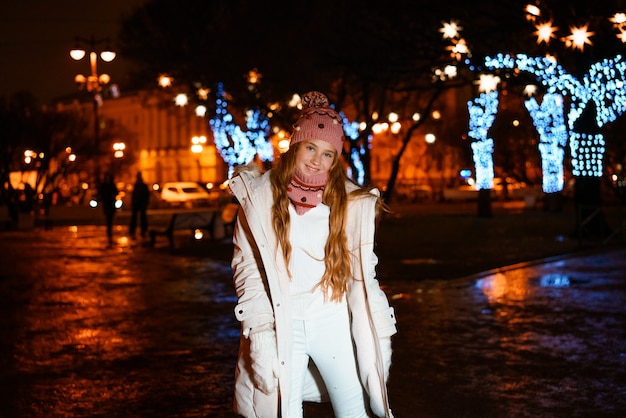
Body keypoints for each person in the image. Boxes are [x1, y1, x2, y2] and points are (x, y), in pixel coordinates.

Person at [229, 91, 397, 418]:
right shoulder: (258, 201)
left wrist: (380, 330)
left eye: (328, 154)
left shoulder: (349, 206)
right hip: (283, 321)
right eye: (310, 147)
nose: (316, 160)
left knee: (356, 409)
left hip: (331, 317)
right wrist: (260, 330)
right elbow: (247, 270)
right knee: (281, 411)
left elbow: (365, 276)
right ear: (295, 145)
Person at [99, 172, 119, 245]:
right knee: (108, 217)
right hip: (107, 204)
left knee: (110, 217)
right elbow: (101, 194)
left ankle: (109, 230)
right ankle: (109, 230)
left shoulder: (111, 185)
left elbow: (116, 192)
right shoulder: (104, 186)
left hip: (111, 203)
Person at [129, 172, 150, 238]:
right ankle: (142, 230)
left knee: (138, 217)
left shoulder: (138, 185)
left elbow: (135, 195)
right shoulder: (140, 185)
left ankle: (135, 230)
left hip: (139, 203)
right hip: (139, 203)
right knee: (140, 217)